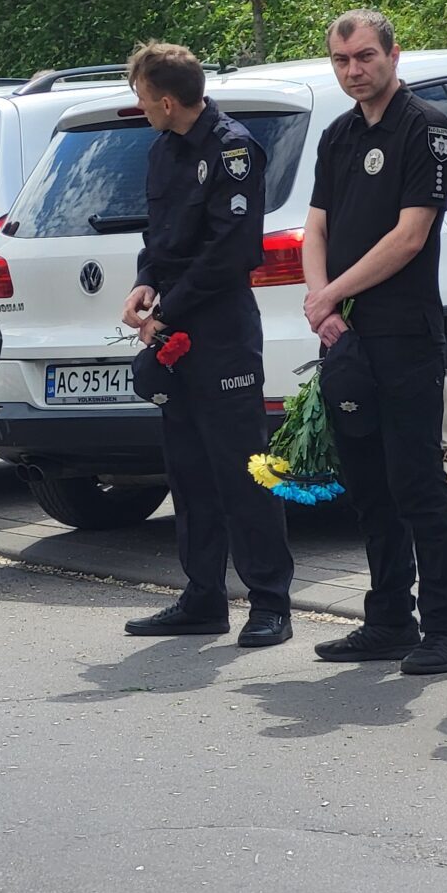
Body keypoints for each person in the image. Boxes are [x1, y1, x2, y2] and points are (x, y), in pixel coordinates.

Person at [302, 10, 447, 672]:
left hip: (403, 334)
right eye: (342, 60)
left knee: (415, 482)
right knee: (368, 485)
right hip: (346, 338)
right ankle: (389, 620)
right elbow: (316, 226)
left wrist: (332, 294)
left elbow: (409, 236)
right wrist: (322, 301)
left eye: (365, 56)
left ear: (394, 56)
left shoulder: (425, 128)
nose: (354, 70)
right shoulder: (338, 135)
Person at [118, 43, 295, 648]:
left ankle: (270, 602)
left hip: (220, 330)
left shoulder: (233, 150)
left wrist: (165, 310)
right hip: (173, 331)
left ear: (168, 101)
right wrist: (145, 283)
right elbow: (159, 237)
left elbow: (232, 252)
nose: (140, 107)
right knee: (188, 471)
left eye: (142, 97)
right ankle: (202, 598)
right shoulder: (163, 149)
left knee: (245, 470)